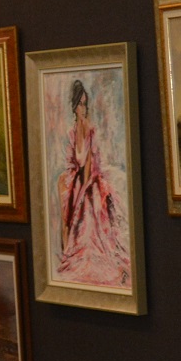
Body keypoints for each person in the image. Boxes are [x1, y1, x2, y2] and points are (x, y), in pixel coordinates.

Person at [54, 78, 130, 287]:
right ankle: (67, 250)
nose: (83, 109)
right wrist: (70, 179)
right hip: (76, 176)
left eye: (85, 104)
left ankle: (92, 255)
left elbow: (89, 166)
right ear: (74, 107)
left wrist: (81, 188)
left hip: (90, 178)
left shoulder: (90, 129)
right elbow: (71, 160)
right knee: (63, 194)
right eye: (80, 104)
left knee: (88, 205)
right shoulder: (71, 132)